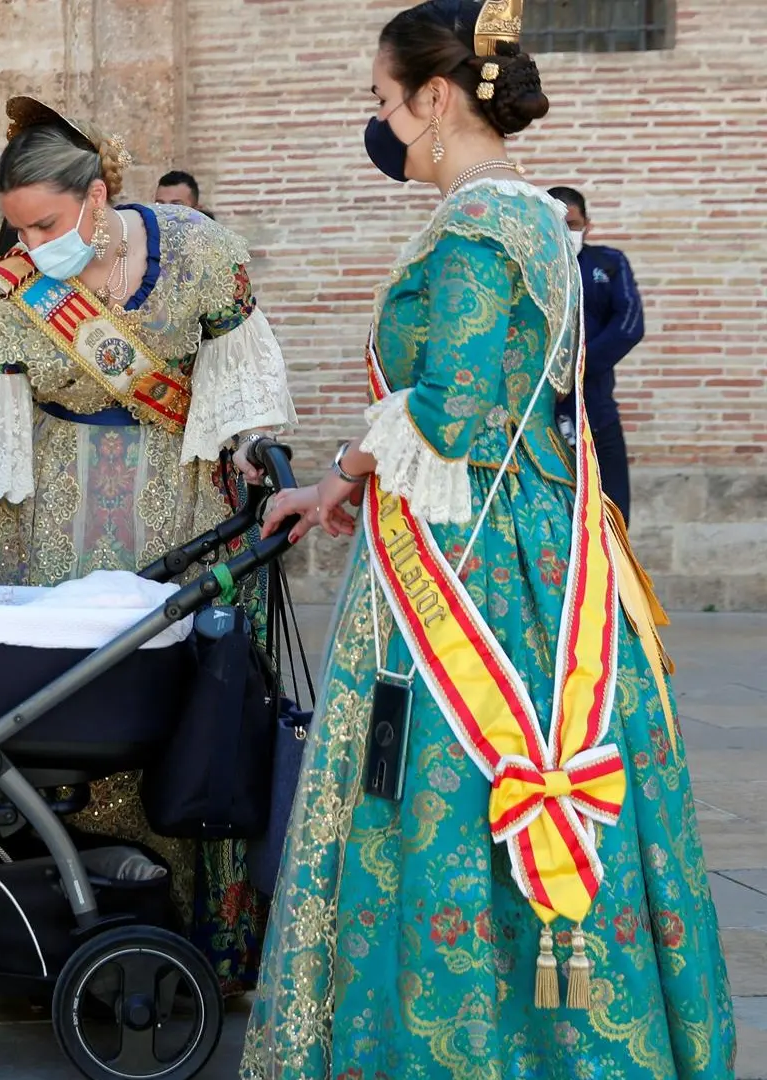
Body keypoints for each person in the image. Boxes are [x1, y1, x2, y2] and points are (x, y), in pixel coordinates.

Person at [242, 2, 733, 1077]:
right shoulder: (541, 224)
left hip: (468, 563)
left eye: (383, 99)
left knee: (437, 794)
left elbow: (451, 409)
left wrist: (333, 479)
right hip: (548, 548)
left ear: (434, 98)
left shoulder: (473, 226)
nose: (380, 123)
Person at [0, 96, 297, 996]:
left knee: (174, 704)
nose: (29, 249)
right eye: (17, 232)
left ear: (98, 195)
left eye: (46, 225)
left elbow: (241, 391)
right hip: (50, 523)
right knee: (61, 706)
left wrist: (257, 456)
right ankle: (54, 934)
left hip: (176, 511)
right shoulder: (12, 295)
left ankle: (188, 937)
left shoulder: (200, 254)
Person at [549, 185, 643, 517]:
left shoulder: (609, 263)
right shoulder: (525, 270)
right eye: (558, 226)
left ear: (588, 223)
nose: (567, 233)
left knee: (613, 513)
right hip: (542, 414)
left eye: (573, 225)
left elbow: (629, 326)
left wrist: (574, 370)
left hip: (596, 409)